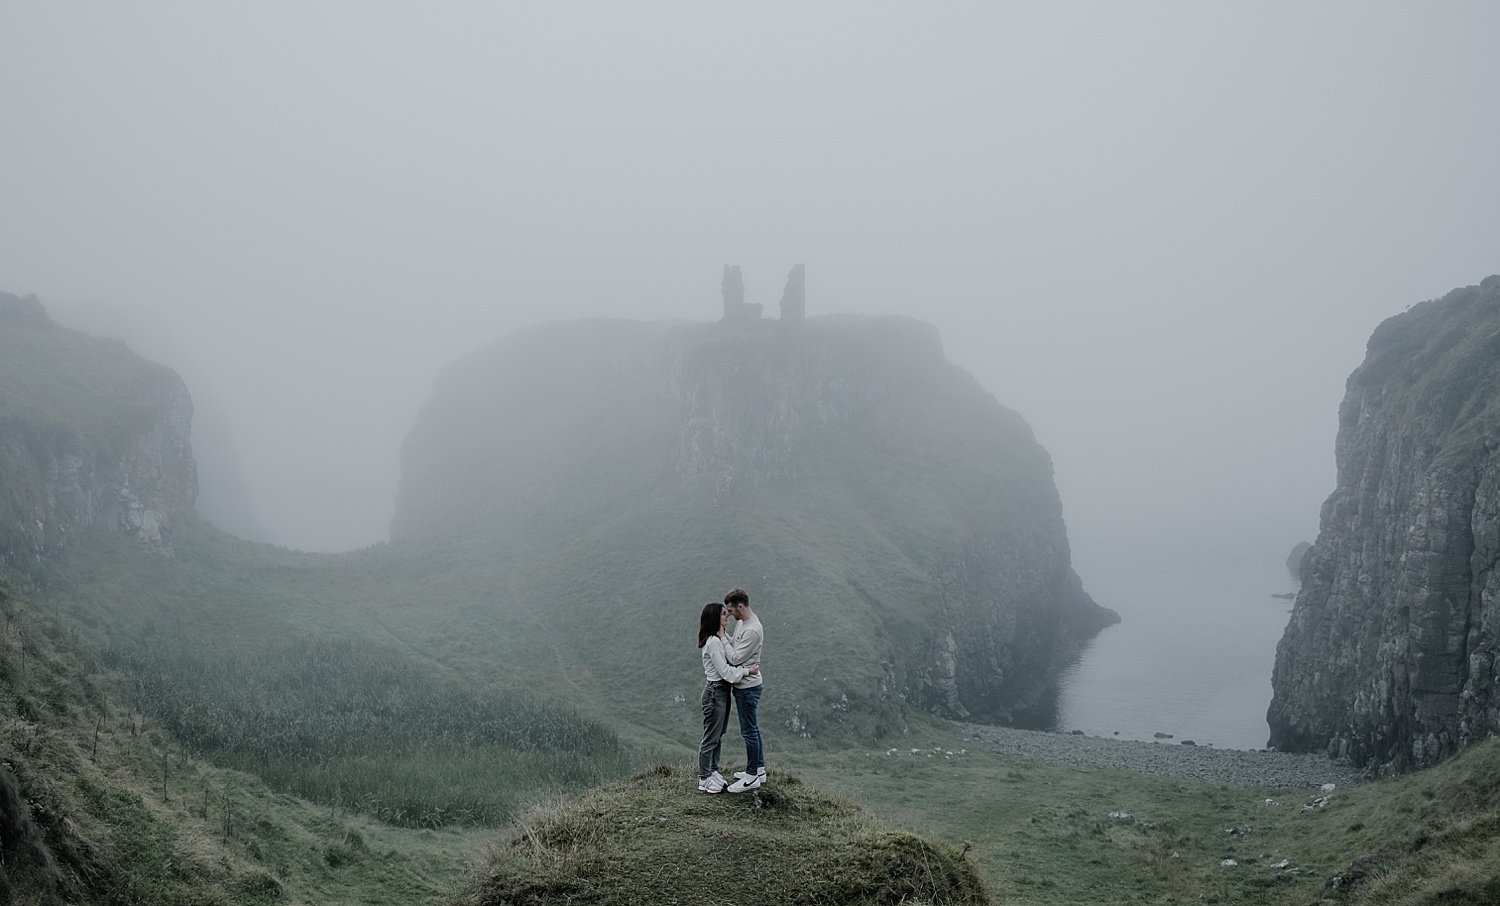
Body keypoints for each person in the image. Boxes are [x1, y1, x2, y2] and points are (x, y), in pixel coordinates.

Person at [696, 601, 757, 794]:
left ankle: (713, 770)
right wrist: (748, 671)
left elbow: (732, 655)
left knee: (718, 735)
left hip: (721, 692)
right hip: (716, 692)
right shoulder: (713, 642)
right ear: (716, 618)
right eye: (723, 614)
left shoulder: (718, 638)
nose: (727, 616)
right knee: (711, 737)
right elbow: (726, 672)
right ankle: (704, 777)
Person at [721, 587, 766, 792]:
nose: (729, 614)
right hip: (744, 684)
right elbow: (736, 647)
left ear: (740, 606)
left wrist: (721, 637)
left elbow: (735, 657)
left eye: (730, 610)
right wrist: (726, 637)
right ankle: (760, 769)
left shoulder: (752, 629)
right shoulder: (742, 624)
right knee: (752, 729)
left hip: (748, 687)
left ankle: (751, 776)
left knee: (749, 731)